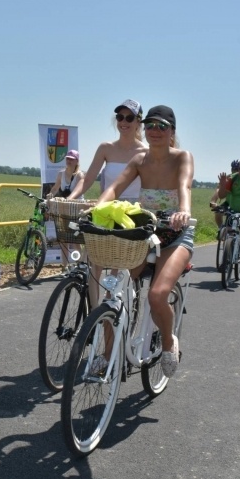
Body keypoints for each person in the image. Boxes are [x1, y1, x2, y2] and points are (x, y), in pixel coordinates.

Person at [95, 105, 194, 379]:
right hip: (147, 232)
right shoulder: (140, 160)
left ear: (172, 131)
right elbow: (115, 187)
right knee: (113, 293)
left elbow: (184, 186)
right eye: (150, 124)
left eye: (162, 126)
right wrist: (97, 208)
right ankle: (108, 355)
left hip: (176, 234)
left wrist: (183, 211)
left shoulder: (182, 157)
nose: (155, 130)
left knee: (158, 294)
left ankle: (168, 343)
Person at [68, 99, 148, 307]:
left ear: (139, 121)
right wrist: (70, 198)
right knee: (94, 261)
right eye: (120, 117)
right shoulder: (106, 148)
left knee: (118, 265)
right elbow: (87, 179)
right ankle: (94, 316)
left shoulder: (145, 153)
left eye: (129, 118)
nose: (124, 122)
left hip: (130, 213)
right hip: (106, 208)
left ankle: (113, 304)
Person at [47, 149, 85, 271]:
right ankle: (64, 266)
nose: (68, 161)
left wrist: (69, 199)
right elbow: (55, 188)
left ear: (76, 161)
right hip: (64, 209)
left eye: (71, 159)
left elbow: (78, 191)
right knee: (63, 238)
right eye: (67, 158)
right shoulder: (61, 174)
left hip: (76, 210)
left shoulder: (79, 175)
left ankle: (80, 263)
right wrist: (50, 194)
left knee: (75, 239)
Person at [209, 159, 240, 231]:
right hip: (229, 201)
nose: (235, 171)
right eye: (233, 169)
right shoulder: (228, 178)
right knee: (218, 212)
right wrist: (213, 201)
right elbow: (218, 189)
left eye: (237, 169)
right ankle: (221, 229)